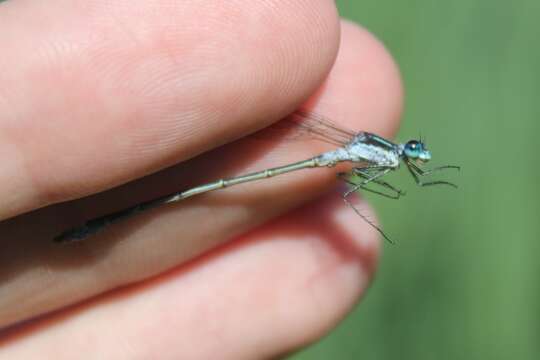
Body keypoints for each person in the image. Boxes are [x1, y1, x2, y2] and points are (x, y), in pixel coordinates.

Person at [0, 1, 402, 357]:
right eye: (413, 153)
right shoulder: (375, 154)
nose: (412, 157)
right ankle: (92, 225)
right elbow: (356, 185)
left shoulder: (380, 157)